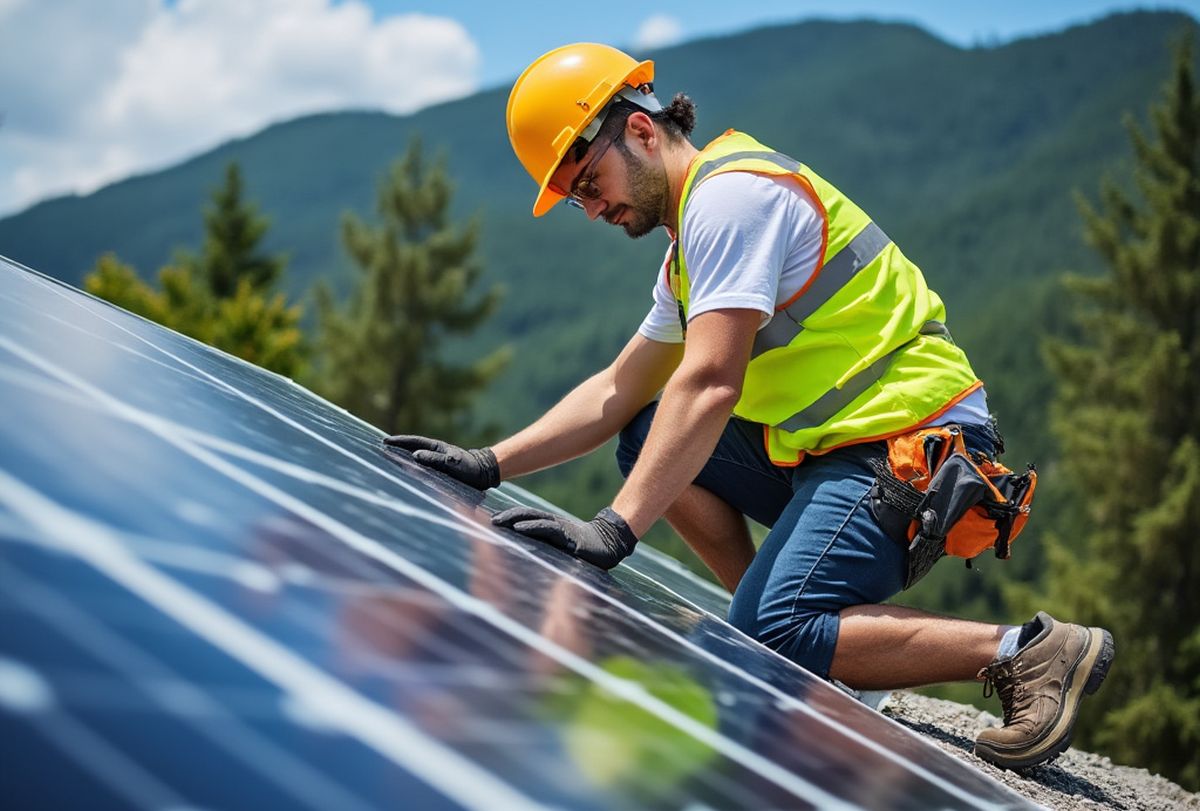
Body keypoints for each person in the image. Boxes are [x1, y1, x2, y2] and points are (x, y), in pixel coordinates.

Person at [384, 43, 1114, 770]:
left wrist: (615, 528)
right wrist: (490, 463)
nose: (592, 207)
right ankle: (809, 637)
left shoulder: (731, 201)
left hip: (912, 443)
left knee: (771, 620)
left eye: (590, 180)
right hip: (837, 452)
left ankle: (1029, 650)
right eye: (575, 196)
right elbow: (619, 390)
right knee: (647, 440)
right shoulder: (687, 253)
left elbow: (709, 384)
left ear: (641, 130)